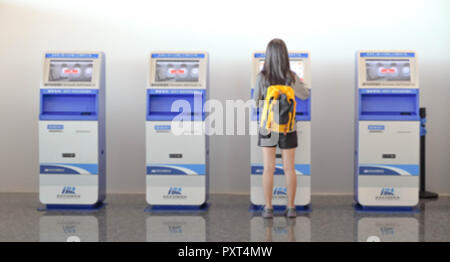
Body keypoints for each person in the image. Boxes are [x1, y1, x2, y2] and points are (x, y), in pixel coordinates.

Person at [253, 38, 310, 218]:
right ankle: (291, 208)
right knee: (289, 168)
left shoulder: (261, 77)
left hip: (267, 127)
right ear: (285, 56)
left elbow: (256, 102)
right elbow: (304, 95)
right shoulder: (291, 76)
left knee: (268, 168)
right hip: (288, 127)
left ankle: (268, 208)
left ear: (268, 56)